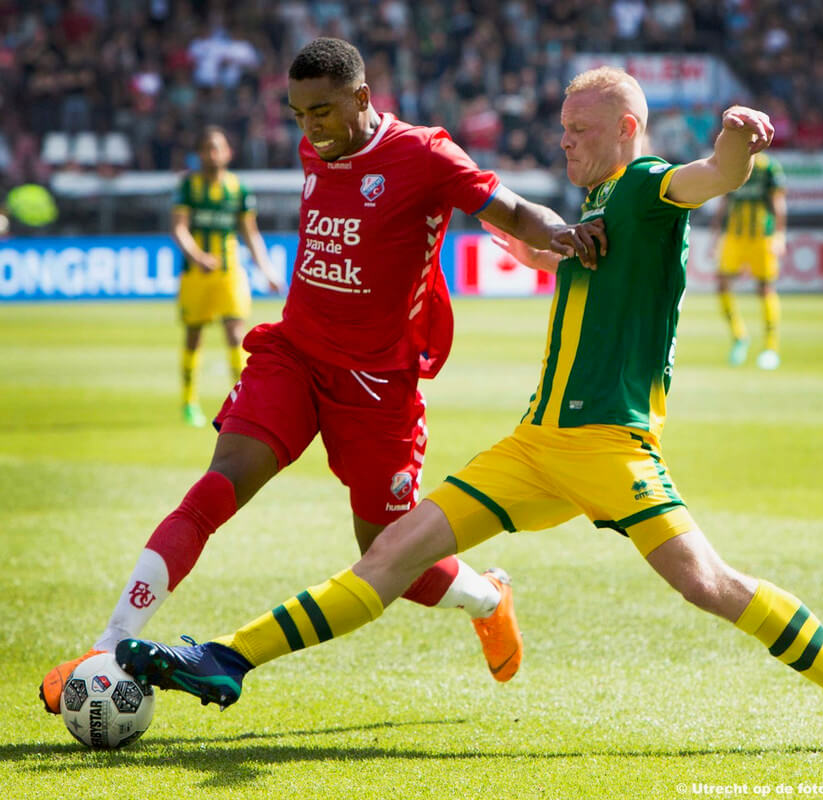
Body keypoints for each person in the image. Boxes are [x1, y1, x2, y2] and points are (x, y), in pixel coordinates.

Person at [115, 67, 823, 754]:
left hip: (610, 447)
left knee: (707, 583)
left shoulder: (644, 186)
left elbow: (705, 179)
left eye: (578, 128)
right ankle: (226, 658)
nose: (562, 140)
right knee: (390, 554)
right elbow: (570, 255)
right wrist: (538, 248)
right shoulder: (600, 208)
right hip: (535, 445)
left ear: (625, 128)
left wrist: (735, 148)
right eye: (562, 127)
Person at [39, 38, 605, 716]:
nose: (310, 127)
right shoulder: (316, 148)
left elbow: (512, 210)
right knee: (216, 488)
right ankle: (108, 646)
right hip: (295, 356)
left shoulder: (424, 154)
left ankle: (487, 596)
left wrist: (563, 233)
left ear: (362, 99)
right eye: (299, 113)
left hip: (376, 386)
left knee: (385, 551)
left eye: (324, 111)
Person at [172, 125, 283, 427]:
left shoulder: (238, 188)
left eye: (218, 147)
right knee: (194, 336)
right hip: (196, 274)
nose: (213, 154)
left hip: (229, 271)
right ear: (199, 154)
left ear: (228, 153)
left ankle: (243, 403)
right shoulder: (188, 187)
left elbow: (251, 233)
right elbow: (179, 228)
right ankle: (189, 402)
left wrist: (267, 271)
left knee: (236, 334)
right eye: (207, 148)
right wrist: (198, 256)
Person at [709, 150, 787, 370]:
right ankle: (739, 336)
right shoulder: (733, 164)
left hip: (761, 236)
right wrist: (716, 235)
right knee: (721, 284)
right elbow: (724, 202)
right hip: (734, 236)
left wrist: (780, 235)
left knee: (764, 289)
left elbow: (778, 203)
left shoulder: (769, 168)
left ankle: (771, 348)